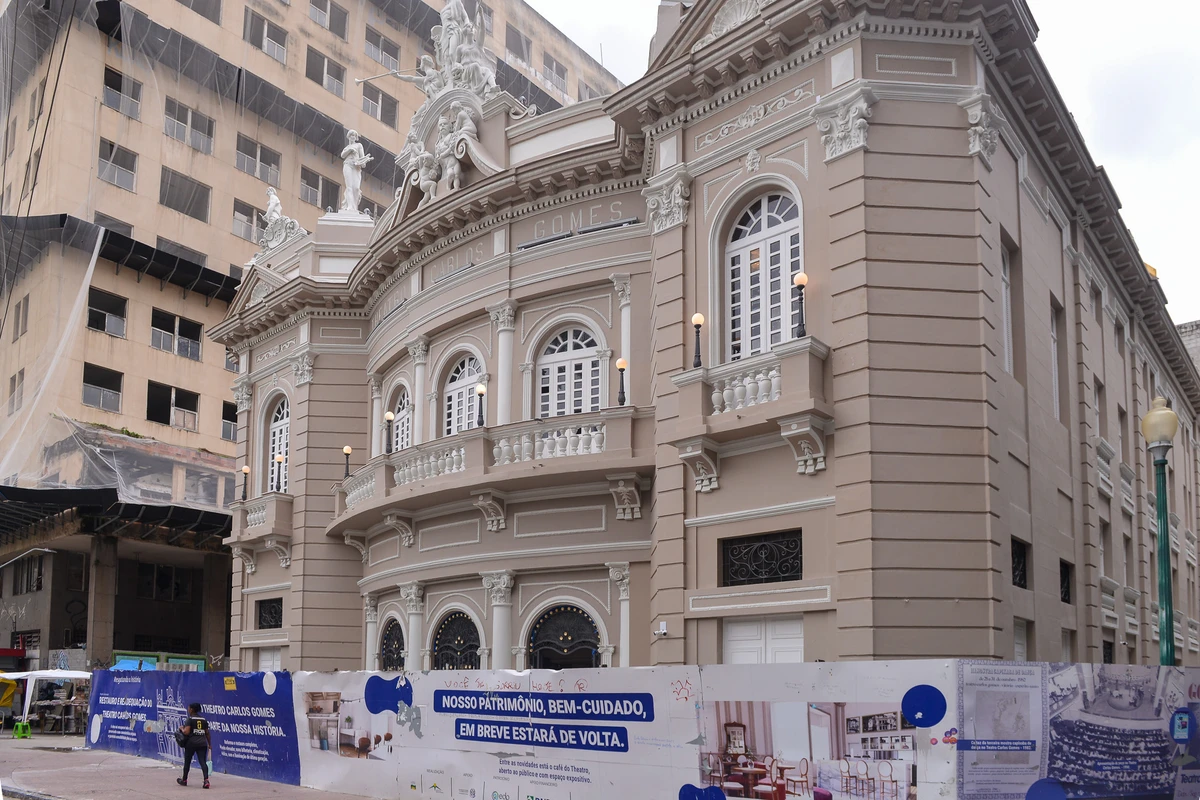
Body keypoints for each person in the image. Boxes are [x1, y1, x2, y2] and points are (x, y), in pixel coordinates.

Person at [177, 702, 212, 788]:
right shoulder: (203, 720)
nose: (188, 709)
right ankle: (206, 780)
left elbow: (186, 731)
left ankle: (184, 780)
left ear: (192, 709)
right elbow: (207, 733)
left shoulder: (190, 719)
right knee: (203, 762)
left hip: (191, 744)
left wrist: (182, 728)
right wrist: (209, 744)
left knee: (187, 762)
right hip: (202, 743)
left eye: (189, 708)